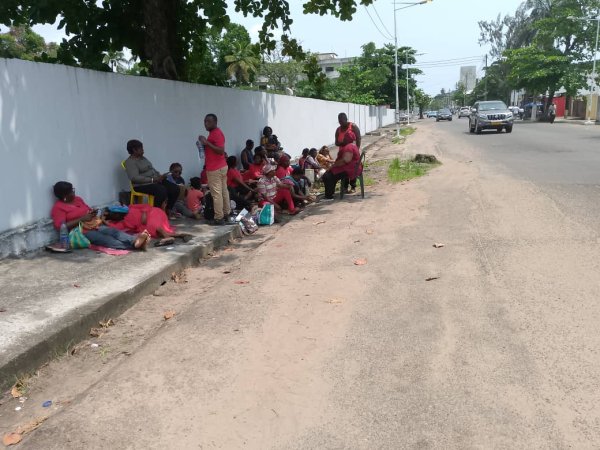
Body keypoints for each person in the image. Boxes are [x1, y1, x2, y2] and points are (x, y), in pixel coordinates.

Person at [51, 181, 150, 250]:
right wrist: (82, 219)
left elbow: (87, 209)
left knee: (114, 232)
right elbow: (60, 227)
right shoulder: (58, 207)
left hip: (94, 224)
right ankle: (136, 245)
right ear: (64, 196)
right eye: (71, 192)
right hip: (81, 232)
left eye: (73, 190)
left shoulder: (78, 199)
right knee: (107, 240)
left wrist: (92, 212)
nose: (73, 192)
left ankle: (134, 240)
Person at [124, 139, 181, 215]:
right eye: (141, 148)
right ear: (134, 150)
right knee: (161, 190)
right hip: (141, 185)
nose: (143, 150)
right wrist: (152, 179)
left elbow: (152, 169)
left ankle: (168, 210)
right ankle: (155, 213)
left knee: (175, 188)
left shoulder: (143, 158)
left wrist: (160, 176)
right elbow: (134, 178)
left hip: (154, 181)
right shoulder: (130, 162)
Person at [106, 204, 192, 247]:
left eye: (116, 214)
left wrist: (144, 214)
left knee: (153, 224)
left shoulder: (131, 207)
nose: (116, 216)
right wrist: (103, 220)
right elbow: (113, 228)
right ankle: (179, 235)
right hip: (144, 225)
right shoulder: (122, 223)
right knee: (154, 231)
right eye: (114, 216)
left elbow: (146, 206)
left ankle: (167, 237)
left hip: (152, 213)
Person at [198, 113, 230, 225]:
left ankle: (219, 218)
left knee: (217, 194)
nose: (206, 124)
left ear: (215, 122)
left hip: (215, 168)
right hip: (220, 166)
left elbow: (221, 150)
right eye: (205, 121)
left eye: (209, 121)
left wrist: (206, 143)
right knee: (223, 191)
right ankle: (226, 214)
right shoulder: (214, 133)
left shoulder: (216, 133)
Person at [335, 113, 362, 193]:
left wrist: (356, 149)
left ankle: (353, 186)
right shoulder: (338, 130)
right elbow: (336, 142)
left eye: (342, 121)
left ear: (346, 119)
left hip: (352, 152)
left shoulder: (353, 126)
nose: (341, 123)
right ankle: (344, 187)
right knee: (343, 169)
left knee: (352, 168)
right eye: (339, 121)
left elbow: (358, 138)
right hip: (342, 153)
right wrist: (344, 143)